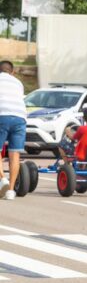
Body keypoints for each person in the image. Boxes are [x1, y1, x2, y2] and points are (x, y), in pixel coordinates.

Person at [0, 60, 27, 200]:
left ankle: (2, 179)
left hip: (2, 115)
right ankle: (10, 191)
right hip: (20, 117)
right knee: (14, 154)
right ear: (12, 72)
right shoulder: (18, 83)